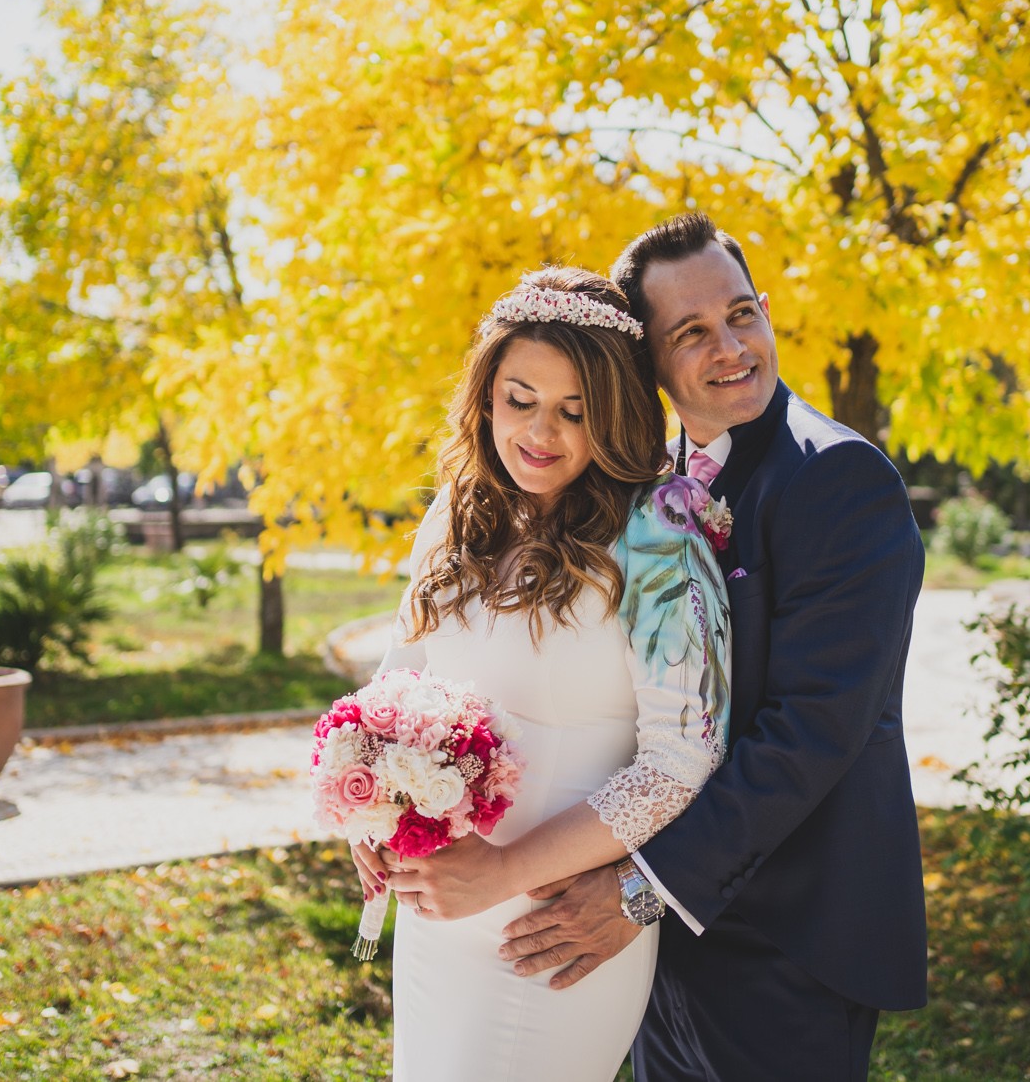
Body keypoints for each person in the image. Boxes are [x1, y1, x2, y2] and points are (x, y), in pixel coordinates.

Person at [492, 214, 929, 1080]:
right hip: (665, 942)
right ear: (648, 362)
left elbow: (810, 736)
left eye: (740, 315)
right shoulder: (641, 486)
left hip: (790, 939)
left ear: (766, 311)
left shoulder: (839, 479)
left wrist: (636, 890)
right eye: (690, 332)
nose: (730, 346)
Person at [361, 265, 732, 1082]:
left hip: (554, 925)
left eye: (576, 411)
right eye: (520, 398)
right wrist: (373, 812)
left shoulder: (659, 534)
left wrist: (502, 872)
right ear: (486, 391)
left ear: (615, 414)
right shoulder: (457, 508)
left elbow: (682, 760)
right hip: (436, 916)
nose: (541, 431)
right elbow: (395, 685)